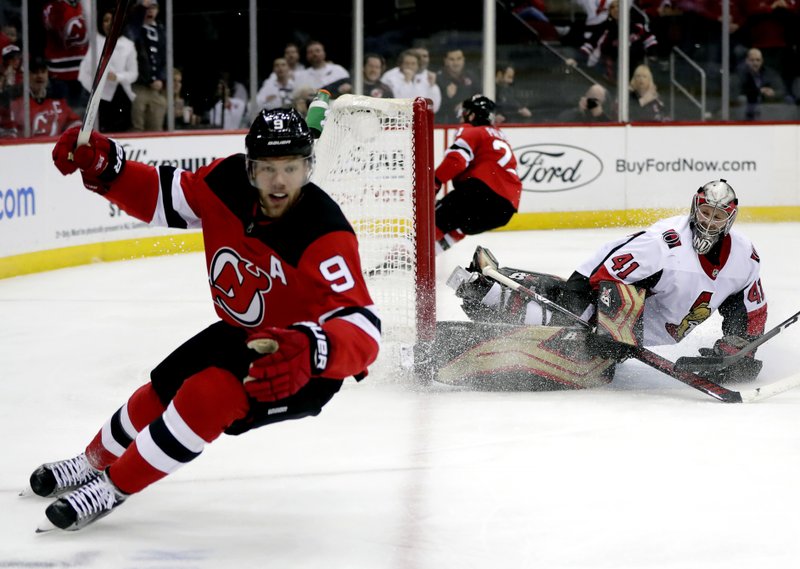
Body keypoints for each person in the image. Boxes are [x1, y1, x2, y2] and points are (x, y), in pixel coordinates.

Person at [30, 107, 381, 532]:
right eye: (268, 168)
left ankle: (109, 488)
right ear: (250, 168)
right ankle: (90, 462)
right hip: (242, 330)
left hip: (299, 362)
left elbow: (363, 324)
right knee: (162, 387)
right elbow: (166, 197)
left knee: (206, 396)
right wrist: (109, 168)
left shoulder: (324, 232)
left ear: (308, 167)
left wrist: (314, 349)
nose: (280, 181)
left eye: (291, 167)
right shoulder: (224, 181)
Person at [453, 180, 767, 385]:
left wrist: (739, 348)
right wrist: (613, 330)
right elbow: (603, 274)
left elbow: (750, 308)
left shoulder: (744, 257)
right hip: (601, 293)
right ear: (694, 208)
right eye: (705, 212)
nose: (709, 222)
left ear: (731, 218)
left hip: (642, 328)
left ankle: (498, 285)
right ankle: (487, 290)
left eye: (718, 216)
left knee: (593, 353)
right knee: (572, 328)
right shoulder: (664, 244)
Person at [434, 94, 522, 254]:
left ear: (473, 115)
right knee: (459, 226)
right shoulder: (500, 135)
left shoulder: (472, 131)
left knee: (434, 220)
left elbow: (457, 159)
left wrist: (434, 181)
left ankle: (406, 258)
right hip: (506, 209)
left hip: (481, 193)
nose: (463, 115)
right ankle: (428, 255)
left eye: (467, 112)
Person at [78, 8, 138, 133]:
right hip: (98, 97)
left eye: (113, 20)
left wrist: (117, 77)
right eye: (106, 20)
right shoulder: (95, 42)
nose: (109, 23)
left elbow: (133, 74)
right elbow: (85, 71)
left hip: (121, 95)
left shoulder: (128, 45)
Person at [9, 56, 81, 137]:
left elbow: (75, 122)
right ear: (27, 75)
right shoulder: (17, 102)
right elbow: (10, 130)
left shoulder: (58, 101)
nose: (39, 76)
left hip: (55, 146)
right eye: (35, 72)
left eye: (43, 72)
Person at [42, 0, 89, 115]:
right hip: (60, 73)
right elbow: (57, 27)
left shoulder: (85, 5)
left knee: (81, 116)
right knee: (63, 116)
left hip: (82, 71)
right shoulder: (52, 7)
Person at [126, 0, 167, 131]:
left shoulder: (160, 30)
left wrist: (160, 77)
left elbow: (164, 57)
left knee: (156, 126)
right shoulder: (134, 29)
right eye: (146, 8)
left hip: (156, 89)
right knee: (137, 126)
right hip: (139, 86)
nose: (150, 11)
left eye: (153, 7)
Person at [734, 47, 787, 121]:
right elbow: (737, 92)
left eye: (758, 60)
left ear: (762, 61)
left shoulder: (771, 74)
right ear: (747, 61)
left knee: (788, 100)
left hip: (767, 105)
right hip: (748, 106)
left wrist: (773, 93)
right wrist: (758, 91)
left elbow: (782, 90)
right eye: (752, 60)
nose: (755, 63)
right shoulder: (740, 74)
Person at [435, 48, 479, 124]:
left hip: (468, 123)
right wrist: (449, 100)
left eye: (459, 59)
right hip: (444, 124)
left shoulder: (471, 77)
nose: (456, 63)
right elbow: (434, 107)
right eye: (452, 59)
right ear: (446, 61)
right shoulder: (438, 79)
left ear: (463, 60)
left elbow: (479, 96)